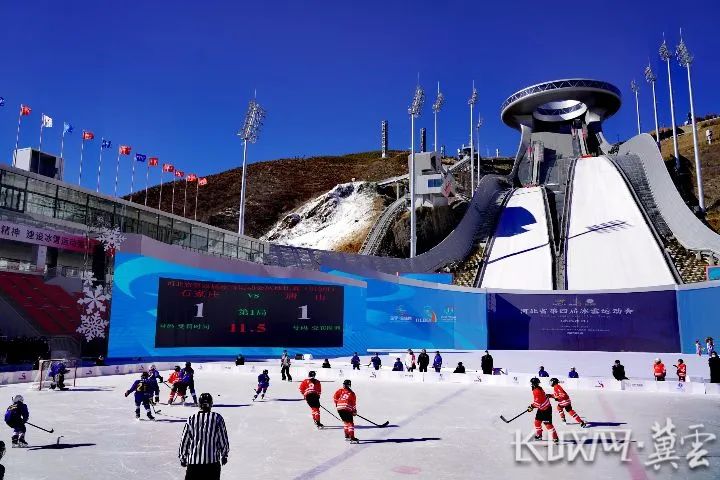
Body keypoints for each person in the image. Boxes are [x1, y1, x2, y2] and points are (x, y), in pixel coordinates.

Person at [178, 393, 229, 480]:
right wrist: (224, 455)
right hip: (212, 463)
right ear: (211, 404)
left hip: (194, 463)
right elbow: (222, 438)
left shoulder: (192, 418)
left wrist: (183, 457)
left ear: (199, 404)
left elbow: (185, 440)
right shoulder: (217, 418)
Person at [527, 377, 558, 443]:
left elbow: (538, 403)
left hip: (546, 409)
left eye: (532, 383)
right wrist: (532, 406)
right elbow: (539, 402)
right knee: (537, 422)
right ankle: (539, 435)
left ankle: (555, 437)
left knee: (548, 424)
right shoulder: (537, 389)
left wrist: (531, 407)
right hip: (541, 408)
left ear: (533, 384)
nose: (531, 385)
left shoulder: (537, 391)